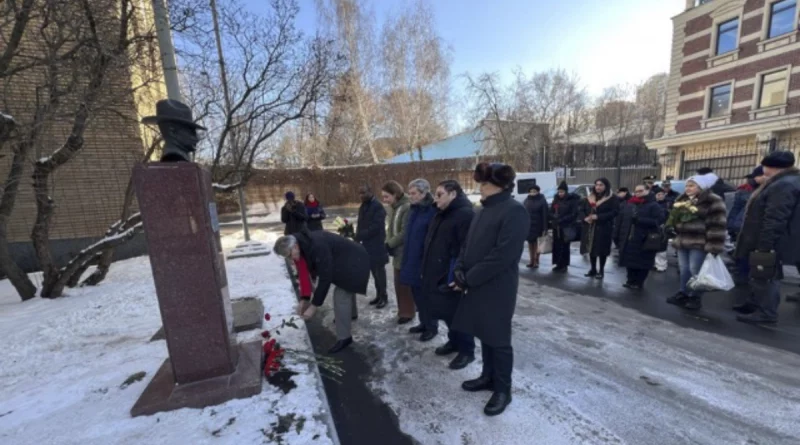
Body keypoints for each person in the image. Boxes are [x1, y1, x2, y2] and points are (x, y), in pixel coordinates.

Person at [452, 162, 528, 416]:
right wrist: (460, 268)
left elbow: (503, 255)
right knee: (483, 331)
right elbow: (468, 244)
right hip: (476, 284)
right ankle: (488, 377)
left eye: (484, 184)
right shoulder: (482, 210)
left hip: (497, 287)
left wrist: (468, 278)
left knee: (499, 339)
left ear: (500, 186)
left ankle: (503, 390)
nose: (480, 188)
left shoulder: (515, 211)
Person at [274, 230, 370, 354]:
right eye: (287, 257)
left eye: (289, 255)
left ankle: (344, 338)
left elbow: (326, 277)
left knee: (341, 295)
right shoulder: (301, 246)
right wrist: (304, 299)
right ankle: (350, 314)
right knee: (346, 288)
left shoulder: (317, 245)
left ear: (295, 246)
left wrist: (314, 306)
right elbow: (303, 273)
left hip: (357, 261)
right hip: (346, 261)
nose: (290, 259)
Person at [733, 151, 800, 324]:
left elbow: (775, 217)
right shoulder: (784, 181)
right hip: (769, 236)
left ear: (771, 166)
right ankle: (755, 303)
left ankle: (766, 312)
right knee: (759, 273)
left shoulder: (783, 185)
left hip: (771, 238)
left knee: (767, 274)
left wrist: (766, 244)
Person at [422, 180, 476, 369]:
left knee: (458, 314)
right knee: (446, 311)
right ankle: (454, 342)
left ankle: (467, 351)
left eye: (439, 195)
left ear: (453, 194)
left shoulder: (465, 215)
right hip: (437, 269)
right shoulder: (441, 213)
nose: (435, 199)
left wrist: (457, 274)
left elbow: (466, 248)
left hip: (452, 273)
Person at [666, 173, 727, 310]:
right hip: (682, 240)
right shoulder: (682, 199)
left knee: (696, 269)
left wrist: (714, 245)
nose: (688, 188)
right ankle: (683, 292)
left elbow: (717, 224)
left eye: (692, 186)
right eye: (687, 185)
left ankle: (695, 296)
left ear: (701, 187)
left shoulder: (713, 200)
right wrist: (672, 226)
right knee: (684, 269)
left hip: (700, 241)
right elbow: (675, 218)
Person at [400, 179, 439, 341]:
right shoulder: (414, 210)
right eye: (410, 193)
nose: (411, 196)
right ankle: (423, 322)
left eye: (414, 193)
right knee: (416, 293)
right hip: (412, 257)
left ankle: (431, 326)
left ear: (424, 193)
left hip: (424, 261)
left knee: (426, 296)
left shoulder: (431, 211)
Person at [615, 184, 662, 289]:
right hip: (630, 237)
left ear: (647, 191)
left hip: (645, 238)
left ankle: (638, 282)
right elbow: (622, 219)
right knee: (630, 261)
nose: (638, 193)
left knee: (642, 262)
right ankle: (630, 280)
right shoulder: (630, 203)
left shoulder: (653, 205)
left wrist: (639, 220)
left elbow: (658, 221)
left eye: (641, 191)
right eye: (636, 191)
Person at [381, 181, 415, 324]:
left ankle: (408, 312)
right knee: (398, 283)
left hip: (404, 251)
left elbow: (404, 232)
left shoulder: (406, 207)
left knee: (404, 284)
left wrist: (390, 243)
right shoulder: (395, 207)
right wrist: (388, 242)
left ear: (395, 194)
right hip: (397, 251)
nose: (384, 200)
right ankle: (403, 310)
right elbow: (391, 229)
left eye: (387, 196)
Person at [727, 166, 764, 283]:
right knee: (742, 250)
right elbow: (735, 208)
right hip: (741, 225)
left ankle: (749, 275)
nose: (750, 180)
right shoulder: (743, 191)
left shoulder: (767, 191)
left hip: (757, 227)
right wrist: (730, 224)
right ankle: (742, 273)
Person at [355, 185, 389, 309]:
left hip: (377, 244)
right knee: (374, 271)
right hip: (367, 244)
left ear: (370, 191)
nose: (361, 195)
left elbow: (376, 226)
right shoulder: (363, 205)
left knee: (379, 271)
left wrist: (361, 235)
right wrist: (357, 237)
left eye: (363, 192)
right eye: (359, 193)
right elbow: (360, 223)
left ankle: (384, 296)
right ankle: (378, 295)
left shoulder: (377, 206)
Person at [579, 178, 619, 279]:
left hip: (604, 227)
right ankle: (593, 269)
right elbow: (582, 209)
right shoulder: (590, 197)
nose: (598, 187)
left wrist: (599, 217)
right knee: (591, 249)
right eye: (597, 184)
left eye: (601, 185)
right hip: (590, 227)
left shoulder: (612, 198)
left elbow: (614, 212)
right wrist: (585, 217)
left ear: (606, 186)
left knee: (602, 250)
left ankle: (601, 270)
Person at [549, 181, 580, 272]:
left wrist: (562, 219)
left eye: (562, 192)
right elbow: (551, 211)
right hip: (556, 227)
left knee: (565, 246)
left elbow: (574, 214)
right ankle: (558, 263)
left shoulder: (572, 200)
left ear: (566, 192)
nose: (560, 194)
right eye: (559, 192)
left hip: (566, 226)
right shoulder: (556, 200)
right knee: (557, 245)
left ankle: (564, 264)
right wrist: (553, 216)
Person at [523, 185, 549, 268]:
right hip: (529, 225)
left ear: (538, 191)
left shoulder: (542, 200)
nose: (532, 193)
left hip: (538, 225)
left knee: (537, 244)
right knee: (530, 244)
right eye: (531, 191)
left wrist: (545, 228)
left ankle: (536, 260)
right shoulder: (526, 200)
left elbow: (545, 215)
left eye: (534, 191)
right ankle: (531, 260)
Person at [653, 190, 670, 272]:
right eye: (658, 194)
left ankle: (661, 266)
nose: (660, 196)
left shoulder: (668, 204)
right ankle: (654, 264)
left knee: (662, 248)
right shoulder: (653, 204)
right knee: (652, 246)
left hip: (663, 228)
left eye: (661, 194)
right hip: (654, 227)